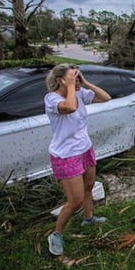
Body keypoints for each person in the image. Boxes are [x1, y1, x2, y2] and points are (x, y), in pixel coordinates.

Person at [45, 64, 111, 256]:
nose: (76, 79)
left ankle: (88, 218)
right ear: (60, 81)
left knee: (89, 187)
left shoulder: (79, 93)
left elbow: (106, 97)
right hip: (66, 155)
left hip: (84, 149)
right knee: (75, 200)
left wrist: (84, 82)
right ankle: (56, 235)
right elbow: (70, 107)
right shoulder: (52, 99)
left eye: (76, 76)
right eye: (72, 77)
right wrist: (72, 87)